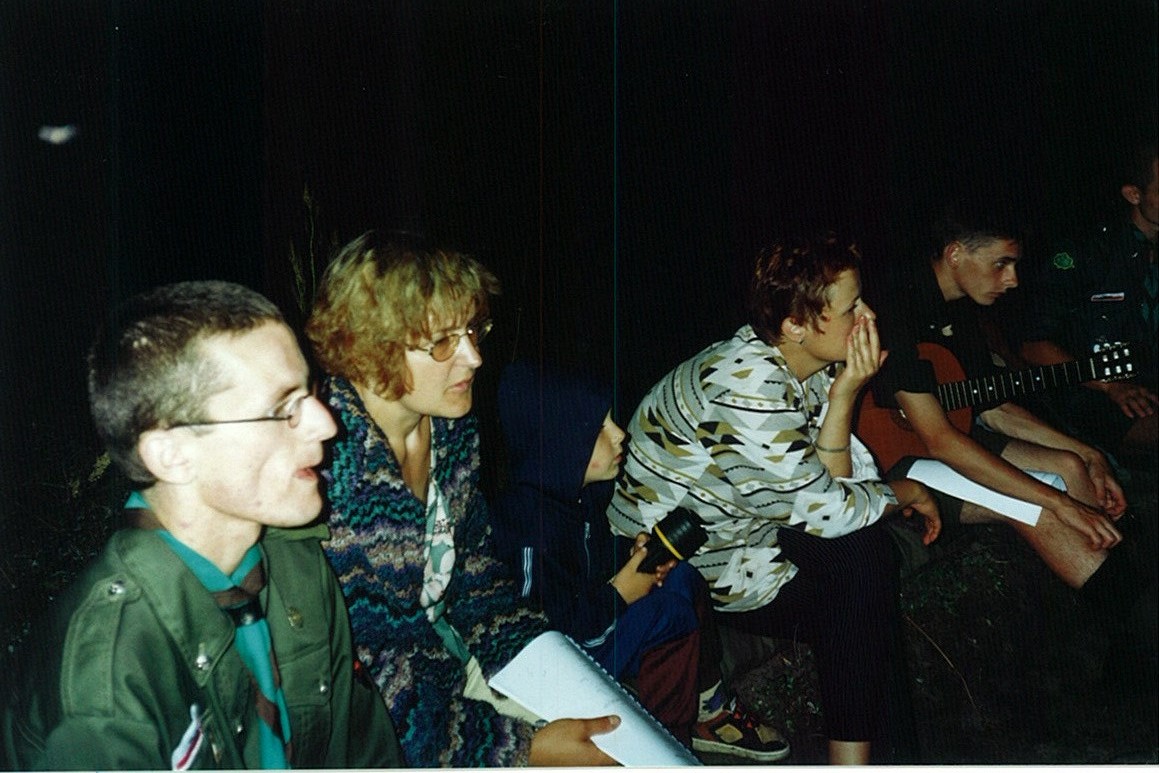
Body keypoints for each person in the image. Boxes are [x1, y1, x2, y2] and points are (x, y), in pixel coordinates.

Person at [0, 281, 401, 769]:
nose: (326, 424)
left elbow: (365, 752)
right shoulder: (109, 677)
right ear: (172, 454)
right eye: (283, 409)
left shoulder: (297, 566)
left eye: (312, 393)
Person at [607, 233, 941, 765]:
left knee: (864, 576)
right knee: (862, 583)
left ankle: (884, 756)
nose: (869, 316)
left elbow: (834, 484)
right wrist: (907, 490)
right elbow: (828, 510)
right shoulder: (746, 386)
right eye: (852, 307)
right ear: (795, 325)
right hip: (688, 567)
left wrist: (845, 393)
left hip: (751, 530)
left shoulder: (803, 366)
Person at [305, 230, 617, 767]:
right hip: (380, 719)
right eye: (443, 342)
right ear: (368, 348)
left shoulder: (447, 427)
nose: (473, 357)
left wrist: (543, 660)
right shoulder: (329, 475)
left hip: (448, 661)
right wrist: (521, 747)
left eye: (473, 330)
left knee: (612, 734)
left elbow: (475, 572)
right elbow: (372, 683)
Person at [864, 197, 1155, 683]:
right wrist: (1061, 504)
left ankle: (1125, 615)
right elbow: (939, 440)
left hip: (945, 437)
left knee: (1069, 466)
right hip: (888, 458)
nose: (1013, 280)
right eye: (1002, 264)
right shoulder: (897, 304)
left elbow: (992, 407)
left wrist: (1086, 453)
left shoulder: (961, 310)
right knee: (1037, 503)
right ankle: (1137, 628)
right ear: (955, 254)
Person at [490, 359, 790, 761]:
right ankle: (662, 746)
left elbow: (592, 558)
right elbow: (545, 641)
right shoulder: (530, 531)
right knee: (667, 613)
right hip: (563, 664)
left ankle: (708, 708)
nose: (620, 434)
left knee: (683, 578)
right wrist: (621, 592)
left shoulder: (579, 496)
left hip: (594, 620)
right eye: (600, 428)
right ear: (561, 443)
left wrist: (630, 556)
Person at [1018, 143, 1158, 464]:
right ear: (1134, 195)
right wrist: (1109, 386)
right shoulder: (1086, 252)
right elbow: (1033, 346)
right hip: (1093, 396)